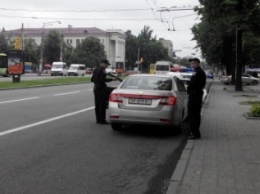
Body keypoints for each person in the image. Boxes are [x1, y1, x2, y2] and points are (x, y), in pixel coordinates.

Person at [187, 58, 206, 139]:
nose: (192, 65)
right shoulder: (197, 71)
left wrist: (189, 89)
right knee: (194, 115)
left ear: (198, 63)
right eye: (191, 63)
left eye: (194, 63)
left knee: (193, 115)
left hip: (195, 95)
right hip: (195, 95)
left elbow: (193, 83)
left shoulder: (198, 72)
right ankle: (194, 132)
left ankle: (195, 133)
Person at [91, 59, 114, 124]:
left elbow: (92, 79)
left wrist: (96, 82)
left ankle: (98, 120)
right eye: (106, 65)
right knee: (102, 105)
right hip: (101, 89)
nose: (106, 66)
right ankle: (102, 120)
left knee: (97, 105)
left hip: (96, 89)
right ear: (103, 63)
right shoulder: (102, 70)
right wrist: (112, 79)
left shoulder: (95, 70)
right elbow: (103, 80)